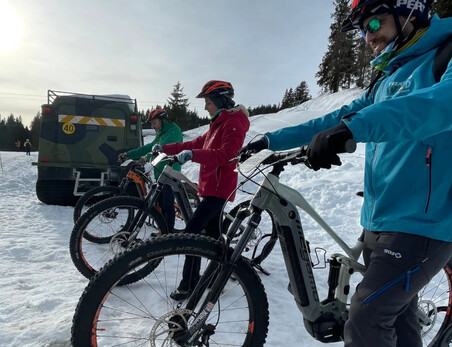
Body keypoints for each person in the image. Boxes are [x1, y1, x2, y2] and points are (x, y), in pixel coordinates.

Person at [239, 1, 452, 346]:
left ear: (409, 11)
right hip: (378, 223)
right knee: (399, 322)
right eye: (362, 30)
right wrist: (271, 139)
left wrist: (354, 129)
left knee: (366, 319)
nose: (367, 37)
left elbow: (438, 105)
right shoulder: (386, 77)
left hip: (424, 228)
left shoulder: (446, 55)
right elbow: (332, 119)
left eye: (372, 24)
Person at [155, 80, 250, 300]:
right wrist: (165, 148)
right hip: (210, 188)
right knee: (215, 237)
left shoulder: (233, 123)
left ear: (219, 100)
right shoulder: (216, 125)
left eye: (207, 102)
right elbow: (195, 143)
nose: (205, 107)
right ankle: (223, 272)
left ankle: (189, 284)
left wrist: (193, 155)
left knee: (192, 234)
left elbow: (227, 155)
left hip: (219, 189)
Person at [118, 108, 183, 232]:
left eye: (154, 123)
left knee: (167, 205)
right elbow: (150, 147)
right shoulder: (161, 132)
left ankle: (167, 234)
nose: (152, 126)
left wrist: (147, 157)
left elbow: (163, 149)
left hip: (171, 172)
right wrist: (128, 154)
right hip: (160, 172)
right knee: (159, 203)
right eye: (151, 123)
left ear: (162, 120)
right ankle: (162, 230)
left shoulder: (173, 130)